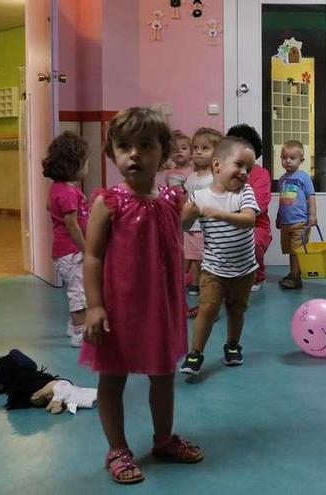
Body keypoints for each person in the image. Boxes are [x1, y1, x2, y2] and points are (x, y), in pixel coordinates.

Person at [80, 107, 203, 485]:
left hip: (161, 307)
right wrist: (95, 306)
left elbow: (164, 235)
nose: (134, 154)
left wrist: (190, 216)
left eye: (145, 145)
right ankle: (117, 448)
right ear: (112, 153)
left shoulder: (171, 198)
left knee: (163, 377)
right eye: (124, 147)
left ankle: (163, 439)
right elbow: (93, 255)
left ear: (163, 152)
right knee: (113, 378)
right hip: (119, 308)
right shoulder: (108, 202)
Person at [179, 137, 259, 376]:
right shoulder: (200, 196)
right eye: (239, 165)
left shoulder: (245, 192)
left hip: (244, 270)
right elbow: (182, 225)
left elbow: (249, 220)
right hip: (214, 269)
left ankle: (233, 345)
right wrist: (188, 213)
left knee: (237, 310)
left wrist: (220, 214)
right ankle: (195, 353)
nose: (244, 172)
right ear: (217, 166)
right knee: (208, 309)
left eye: (249, 168)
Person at [42, 131, 90, 347]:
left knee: (78, 287)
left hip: (63, 251)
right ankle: (80, 332)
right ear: (74, 165)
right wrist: (86, 249)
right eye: (86, 162)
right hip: (72, 251)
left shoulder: (58, 188)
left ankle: (74, 325)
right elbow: (72, 224)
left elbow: (49, 206)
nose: (88, 167)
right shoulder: (69, 192)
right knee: (79, 290)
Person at [226, 124, 272, 292]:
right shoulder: (223, 171)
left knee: (251, 241)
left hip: (256, 225)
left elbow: (258, 204)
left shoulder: (261, 174)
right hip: (228, 221)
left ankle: (258, 276)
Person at [183, 127, 222, 314]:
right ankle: (202, 299)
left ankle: (208, 305)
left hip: (207, 230)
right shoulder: (191, 177)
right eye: (195, 147)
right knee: (190, 262)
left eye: (204, 148)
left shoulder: (215, 177)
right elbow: (187, 201)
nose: (197, 151)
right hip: (190, 229)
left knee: (205, 267)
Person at [276, 140, 316, 289]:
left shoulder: (303, 177)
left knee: (296, 251)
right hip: (286, 222)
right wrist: (279, 217)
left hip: (300, 221)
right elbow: (283, 200)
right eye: (284, 157)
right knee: (289, 250)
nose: (287, 161)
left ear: (301, 160)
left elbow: (310, 197)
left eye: (292, 158)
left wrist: (312, 215)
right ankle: (294, 273)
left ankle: (295, 277)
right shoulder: (282, 180)